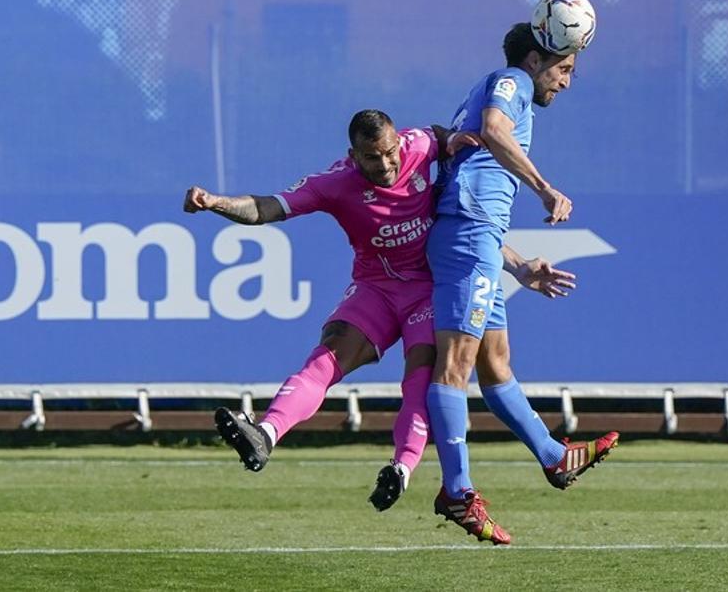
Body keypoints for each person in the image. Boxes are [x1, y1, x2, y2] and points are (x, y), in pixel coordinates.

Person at [183, 109, 577, 512]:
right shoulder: (335, 183)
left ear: (398, 142)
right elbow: (268, 207)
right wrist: (216, 202)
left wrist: (452, 140)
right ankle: (265, 434)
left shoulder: (421, 146)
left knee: (421, 378)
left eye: (390, 152)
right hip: (376, 289)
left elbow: (467, 222)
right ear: (353, 155)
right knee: (327, 358)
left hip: (429, 292)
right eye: (373, 158)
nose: (386, 164)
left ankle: (402, 469)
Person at [427, 24, 620, 545]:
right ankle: (457, 490)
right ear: (535, 60)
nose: (566, 82)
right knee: (456, 364)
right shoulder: (510, 81)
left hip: (478, 239)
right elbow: (492, 129)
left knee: (495, 362)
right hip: (469, 237)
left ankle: (555, 457)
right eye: (563, 69)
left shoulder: (509, 92)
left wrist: (514, 265)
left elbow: (475, 206)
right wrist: (543, 188)